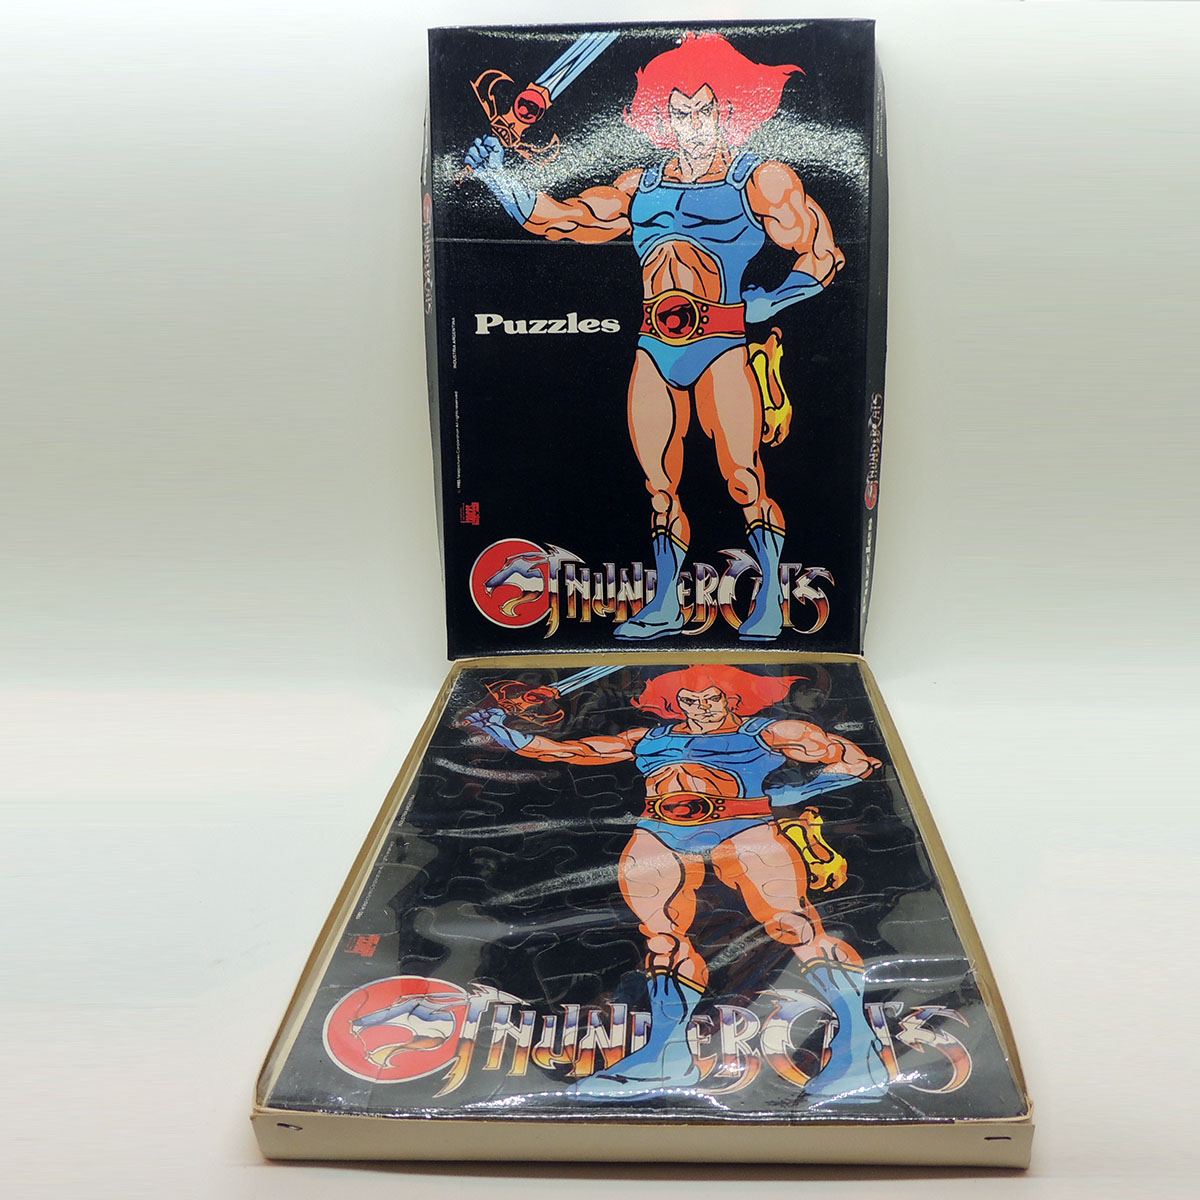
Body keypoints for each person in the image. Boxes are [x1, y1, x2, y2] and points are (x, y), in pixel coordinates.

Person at [464, 33, 844, 641]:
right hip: (655, 348)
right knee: (660, 490)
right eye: (679, 111)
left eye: (703, 109)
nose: (692, 124)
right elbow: (562, 221)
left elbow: (822, 255)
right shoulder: (639, 185)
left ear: (728, 109)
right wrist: (498, 180)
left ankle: (771, 598)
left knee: (743, 479)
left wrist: (769, 301)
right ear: (661, 117)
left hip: (723, 344)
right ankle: (666, 603)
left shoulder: (762, 180)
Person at [466, 665, 888, 1100]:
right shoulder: (647, 738)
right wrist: (500, 730)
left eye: (711, 698)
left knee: (793, 924)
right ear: (673, 702)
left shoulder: (771, 732)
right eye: (690, 700)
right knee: (664, 941)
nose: (701, 708)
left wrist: (795, 793)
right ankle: (668, 1055)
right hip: (660, 831)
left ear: (732, 698)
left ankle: (859, 1046)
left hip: (745, 828)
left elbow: (858, 762)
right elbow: (567, 751)